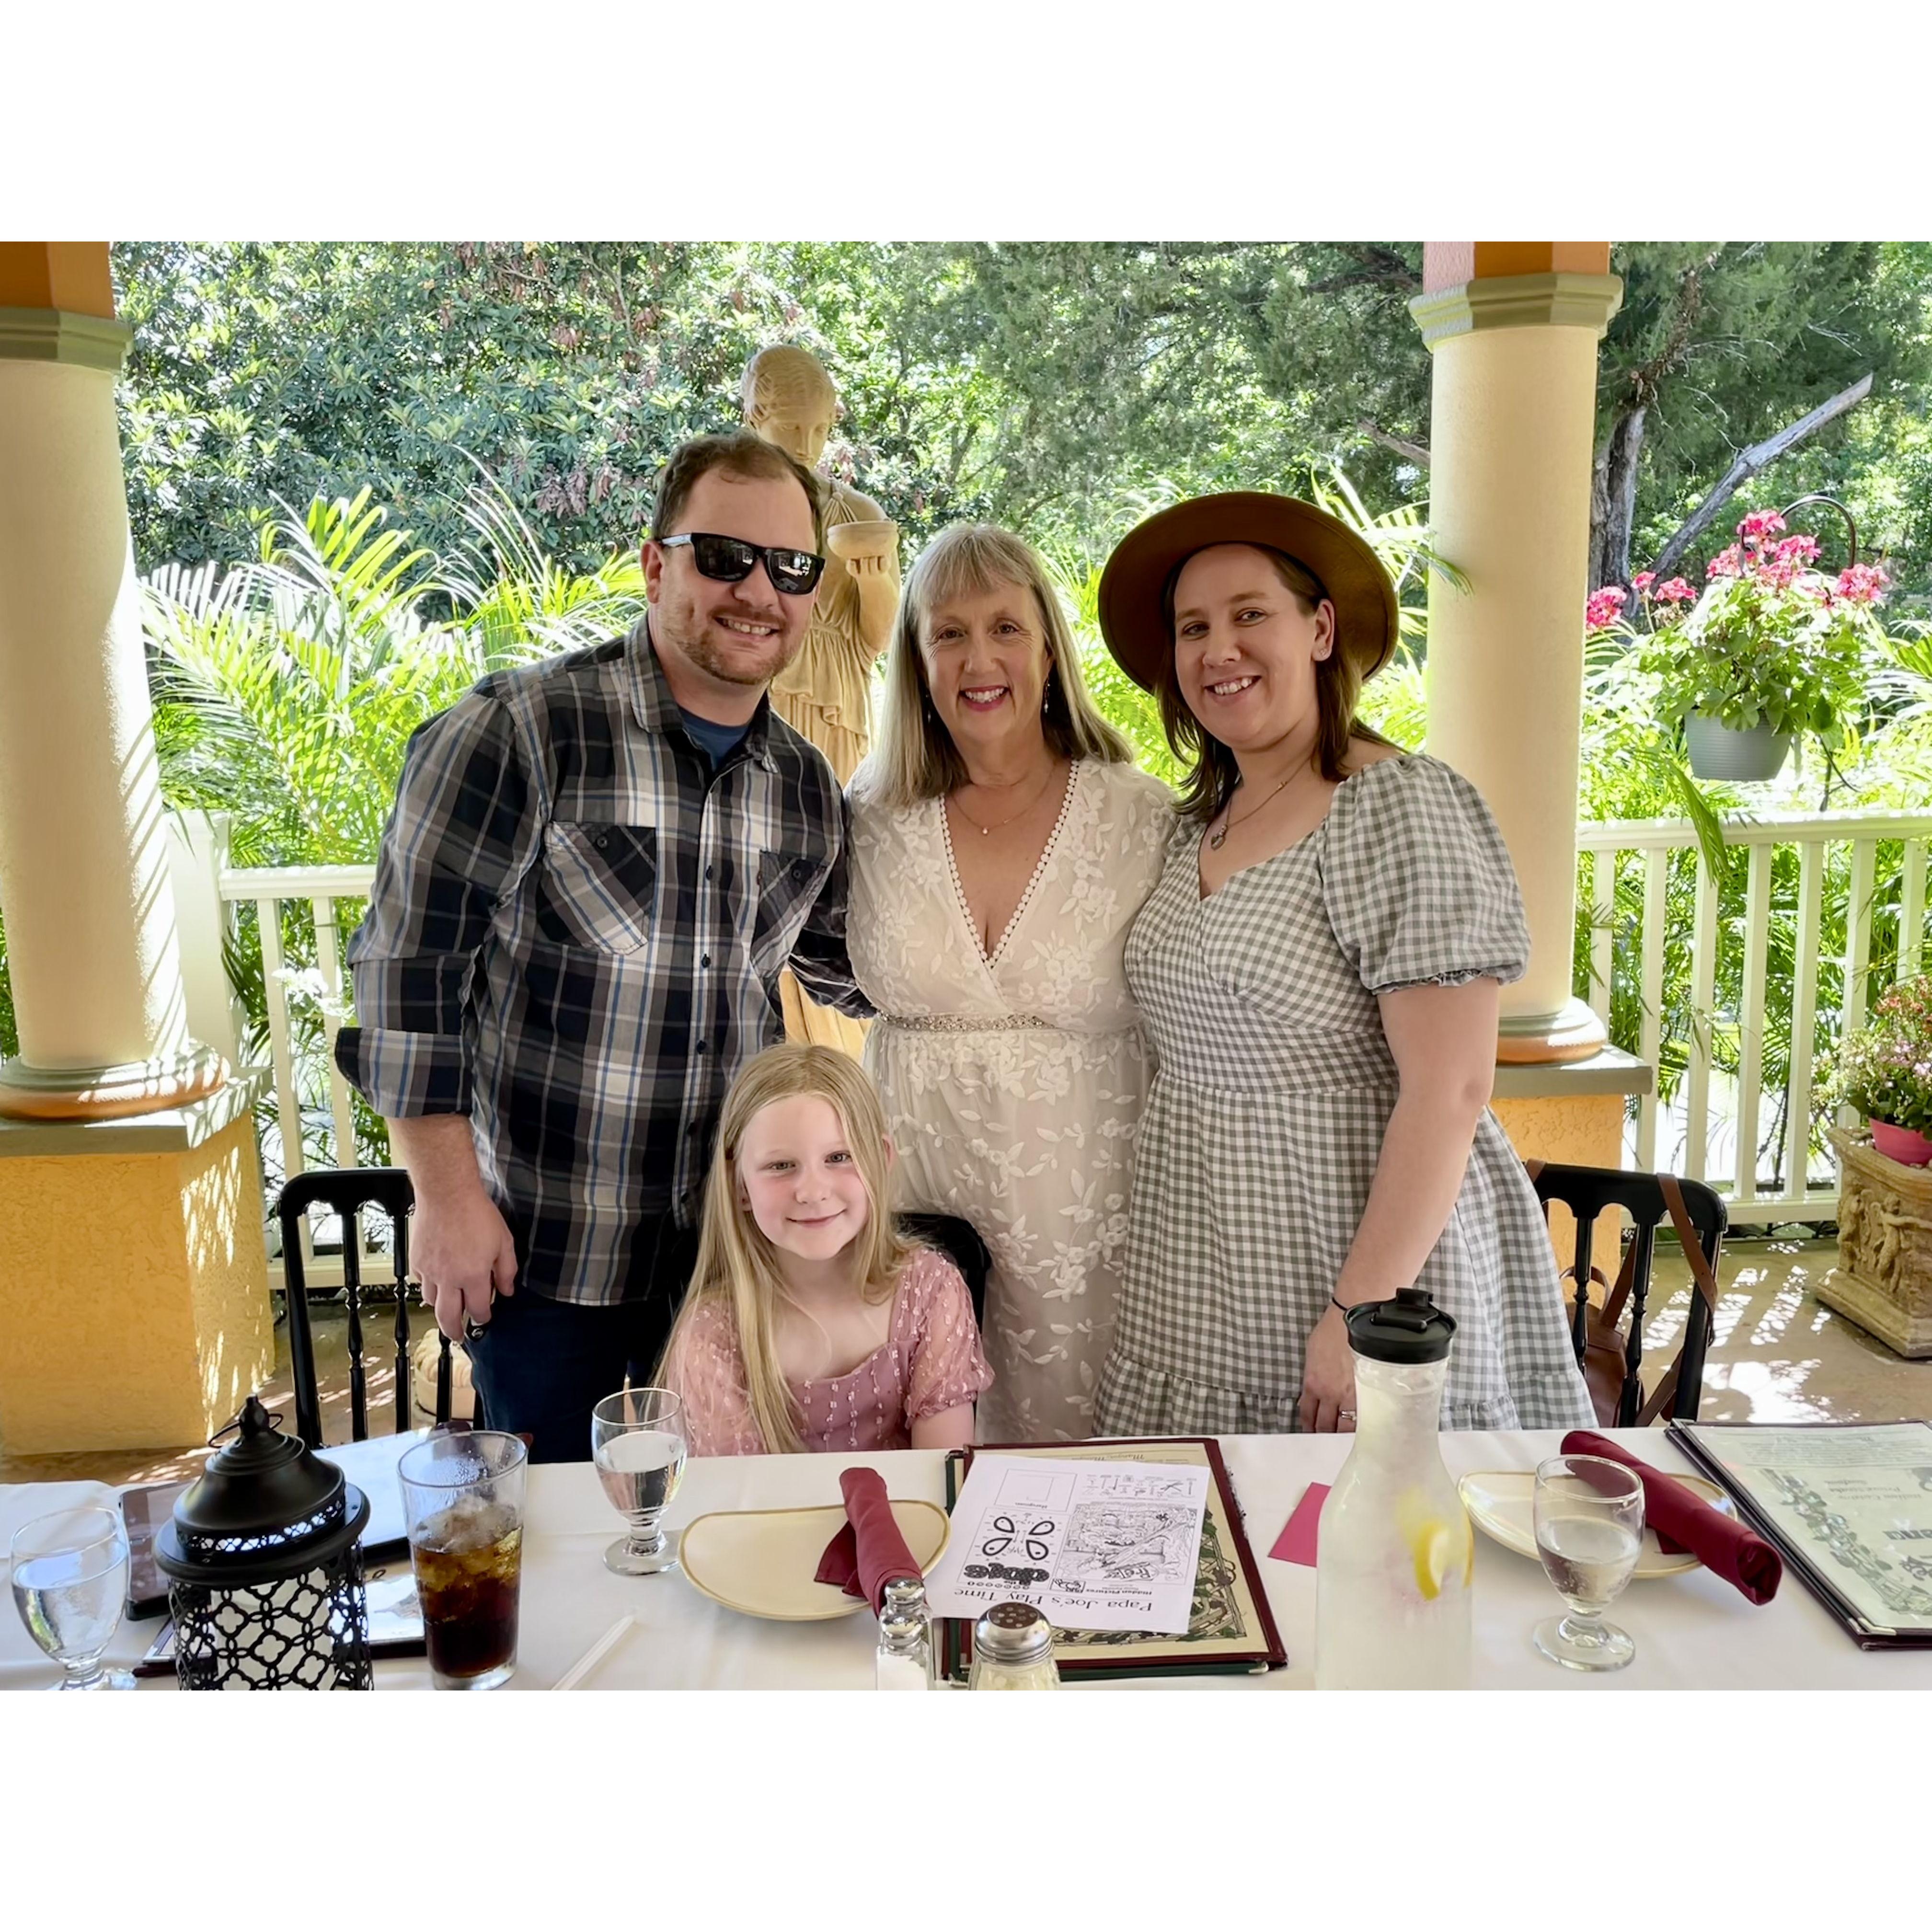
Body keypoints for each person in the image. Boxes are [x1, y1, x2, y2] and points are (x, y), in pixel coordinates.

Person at [335, 431, 872, 1462]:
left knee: (722, 1514)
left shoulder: (807, 787)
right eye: (725, 556)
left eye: (792, 568)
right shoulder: (519, 733)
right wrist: (445, 1202)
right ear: (656, 562)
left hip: (732, 1252)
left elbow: (856, 971)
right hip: (545, 1258)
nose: (759, 589)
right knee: (563, 1541)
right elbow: (406, 984)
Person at [1090, 492, 1595, 1437]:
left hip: (1359, 1255)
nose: (1218, 650)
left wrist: (1360, 1313)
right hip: (1199, 1265)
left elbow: (1452, 1088)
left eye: (1250, 615)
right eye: (1193, 628)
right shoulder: (1191, 826)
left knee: (1371, 1541)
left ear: (1320, 629)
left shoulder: (1393, 808)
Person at [847, 524, 1175, 1442]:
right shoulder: (863, 818)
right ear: (915, 661)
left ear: (1048, 649)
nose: (978, 657)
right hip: (916, 1195)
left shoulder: (1140, 813)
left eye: (1004, 627)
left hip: (1094, 1218)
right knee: (927, 1460)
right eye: (947, 633)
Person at [658, 1044, 992, 1455]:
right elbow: (741, 1506)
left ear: (881, 1159)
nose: (813, 1192)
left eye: (839, 1157)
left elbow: (947, 1477)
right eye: (781, 1166)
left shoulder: (931, 1291)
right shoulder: (712, 1335)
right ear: (739, 1186)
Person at [741, 345, 900, 1059]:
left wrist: (872, 577)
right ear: (755, 415)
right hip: (764, 691)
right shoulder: (731, 508)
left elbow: (878, 636)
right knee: (754, 872)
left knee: (831, 875)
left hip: (836, 698)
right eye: (791, 429)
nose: (806, 446)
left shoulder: (856, 510)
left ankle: (837, 1059)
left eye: (817, 429)